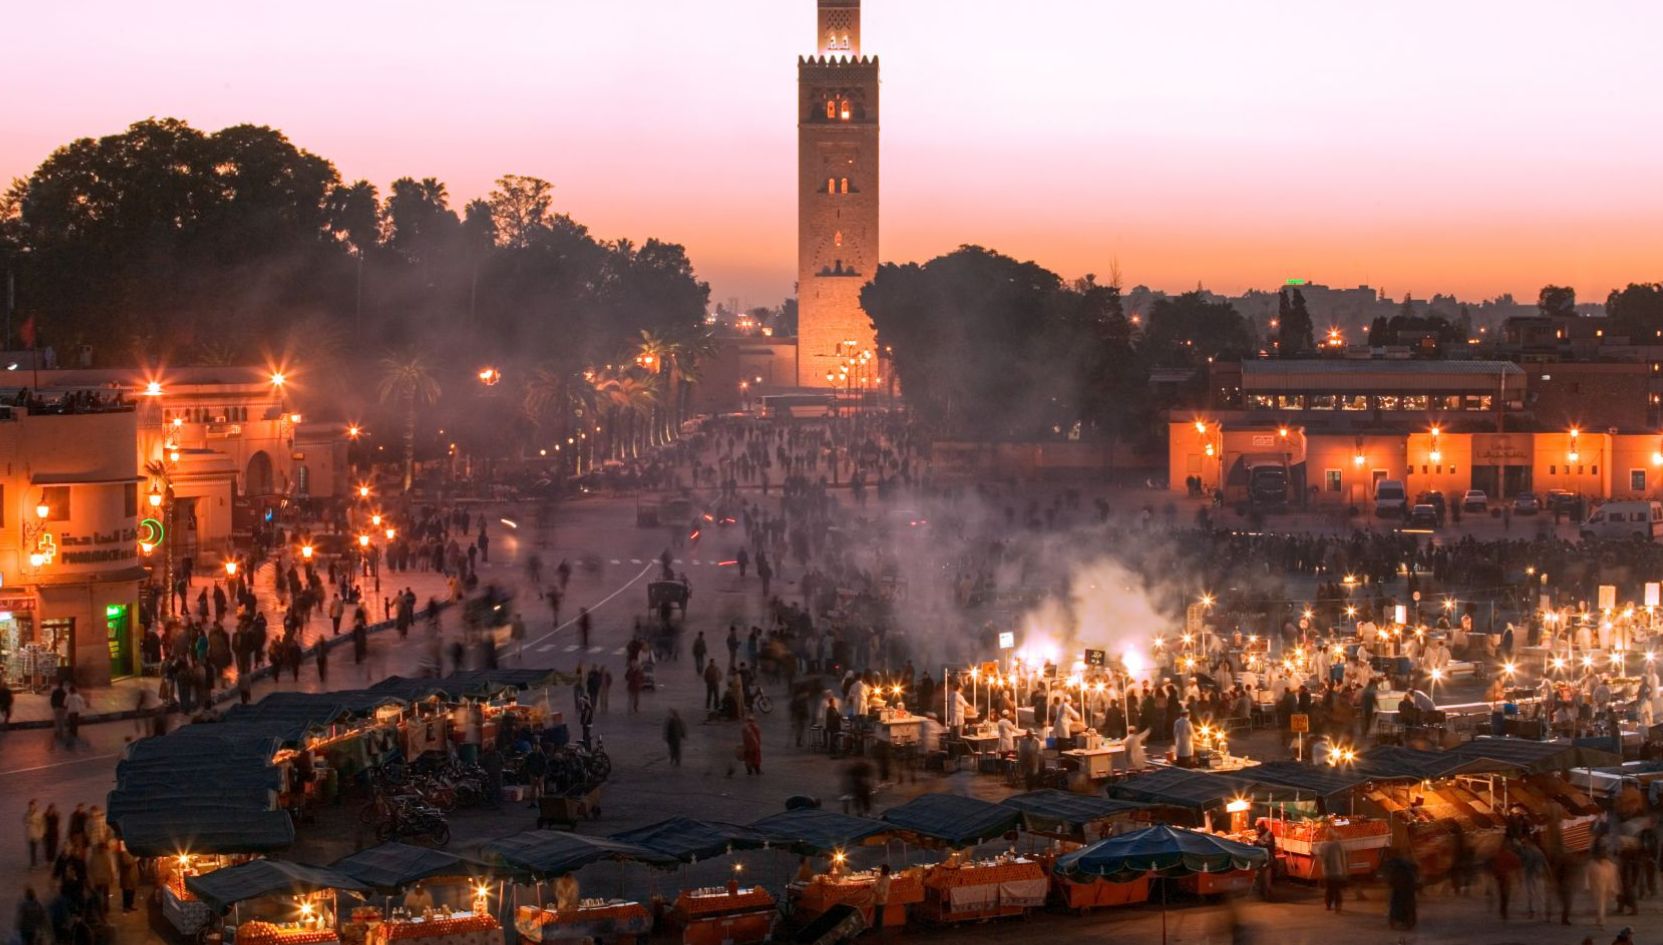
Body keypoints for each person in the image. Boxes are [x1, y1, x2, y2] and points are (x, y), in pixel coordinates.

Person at [1318, 830, 1347, 912]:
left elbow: (1322, 858)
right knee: (1337, 890)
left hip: (1328, 872)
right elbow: (1343, 857)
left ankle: (1328, 905)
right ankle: (1338, 906)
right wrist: (1344, 870)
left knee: (1329, 889)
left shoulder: (1323, 845)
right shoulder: (1338, 844)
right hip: (1338, 871)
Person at [872, 863, 892, 931]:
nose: (879, 870)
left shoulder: (883, 880)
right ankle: (877, 928)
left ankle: (877, 929)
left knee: (878, 915)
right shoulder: (887, 878)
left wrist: (873, 888)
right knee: (879, 914)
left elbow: (879, 890)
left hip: (880, 899)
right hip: (882, 899)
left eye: (880, 869)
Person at [25, 800, 44, 868]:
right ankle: (33, 863)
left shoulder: (38, 814)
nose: (31, 807)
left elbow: (42, 825)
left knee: (34, 849)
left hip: (36, 834)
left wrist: (41, 835)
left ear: (35, 806)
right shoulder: (27, 814)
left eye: (32, 806)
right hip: (30, 834)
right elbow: (24, 822)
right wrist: (27, 822)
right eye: (30, 806)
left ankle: (34, 864)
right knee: (32, 849)